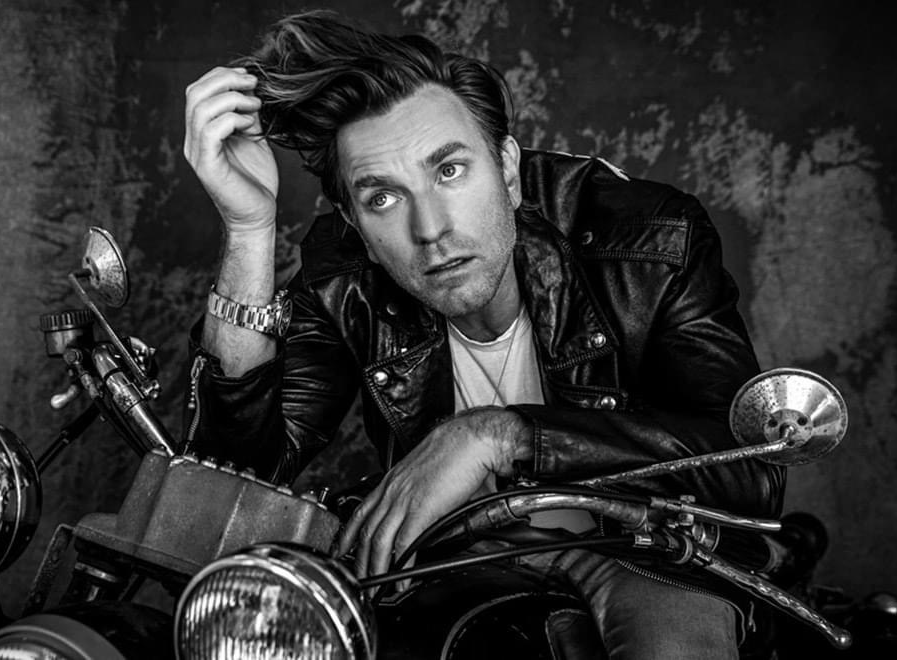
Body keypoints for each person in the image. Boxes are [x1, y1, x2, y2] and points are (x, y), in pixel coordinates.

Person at [182, 10, 783, 658]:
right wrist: (248, 229)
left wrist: (499, 436)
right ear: (355, 225)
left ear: (508, 169)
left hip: (647, 550)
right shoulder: (343, 277)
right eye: (383, 198)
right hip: (452, 555)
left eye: (449, 171)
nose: (431, 229)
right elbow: (234, 478)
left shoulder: (648, 240)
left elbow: (749, 469)